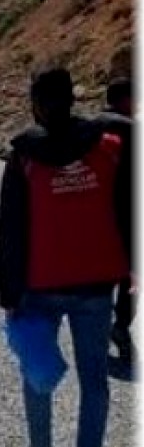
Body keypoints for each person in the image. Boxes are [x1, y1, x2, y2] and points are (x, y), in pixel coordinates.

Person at [0, 67, 131, 447]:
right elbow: (127, 210)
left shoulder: (24, 156)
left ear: (35, 103)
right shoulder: (109, 148)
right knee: (95, 380)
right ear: (73, 99)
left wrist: (8, 293)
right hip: (96, 282)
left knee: (37, 368)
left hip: (40, 281)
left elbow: (10, 232)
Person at [93, 78, 135, 364]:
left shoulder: (87, 127)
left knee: (99, 276)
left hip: (94, 214)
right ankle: (120, 327)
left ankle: (95, 328)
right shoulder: (133, 130)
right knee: (130, 277)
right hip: (128, 213)